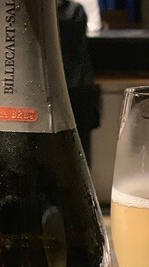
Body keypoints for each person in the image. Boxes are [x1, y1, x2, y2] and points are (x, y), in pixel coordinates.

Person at [58, 0, 101, 165]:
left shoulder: (42, 18)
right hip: (81, 88)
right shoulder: (77, 11)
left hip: (57, 91)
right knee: (82, 155)